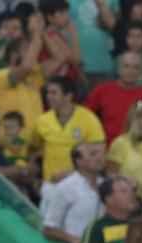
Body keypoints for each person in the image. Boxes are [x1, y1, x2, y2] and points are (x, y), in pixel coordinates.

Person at [31, 77, 107, 206]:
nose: (48, 97)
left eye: (54, 93)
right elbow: (34, 149)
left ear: (68, 96)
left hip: (80, 185)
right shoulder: (42, 121)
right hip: (51, 186)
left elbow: (100, 155)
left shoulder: (88, 119)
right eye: (48, 93)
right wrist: (35, 179)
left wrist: (71, 173)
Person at [106, 101, 142, 220]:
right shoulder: (120, 143)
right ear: (139, 119)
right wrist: (125, 181)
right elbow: (110, 175)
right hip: (127, 202)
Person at [42, 142, 106, 243]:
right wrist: (73, 239)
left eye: (100, 154)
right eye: (92, 154)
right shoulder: (66, 187)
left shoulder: (105, 185)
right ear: (79, 161)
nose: (99, 158)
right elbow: (49, 229)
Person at [85, 53, 142, 142]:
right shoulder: (102, 90)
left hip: (135, 147)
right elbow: (85, 116)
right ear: (119, 69)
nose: (130, 71)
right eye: (126, 66)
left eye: (136, 67)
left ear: (141, 72)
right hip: (106, 147)